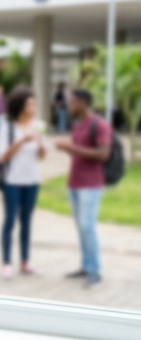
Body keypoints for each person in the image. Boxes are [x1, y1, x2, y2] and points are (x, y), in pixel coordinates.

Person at [53, 88, 112, 288]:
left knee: (87, 227)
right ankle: (86, 266)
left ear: (83, 103)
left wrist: (72, 148)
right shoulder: (77, 125)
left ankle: (95, 271)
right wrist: (67, 149)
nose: (70, 106)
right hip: (74, 183)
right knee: (81, 228)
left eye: (73, 102)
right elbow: (79, 154)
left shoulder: (100, 125)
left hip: (91, 185)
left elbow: (103, 154)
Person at [0, 86, 47, 278]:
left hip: (33, 180)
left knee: (27, 221)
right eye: (29, 104)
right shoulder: (7, 127)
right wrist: (21, 141)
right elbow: (2, 157)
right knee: (10, 220)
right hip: (12, 181)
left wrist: (40, 145)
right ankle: (6, 262)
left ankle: (25, 262)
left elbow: (41, 156)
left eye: (34, 104)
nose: (33, 107)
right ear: (20, 106)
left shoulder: (38, 125)